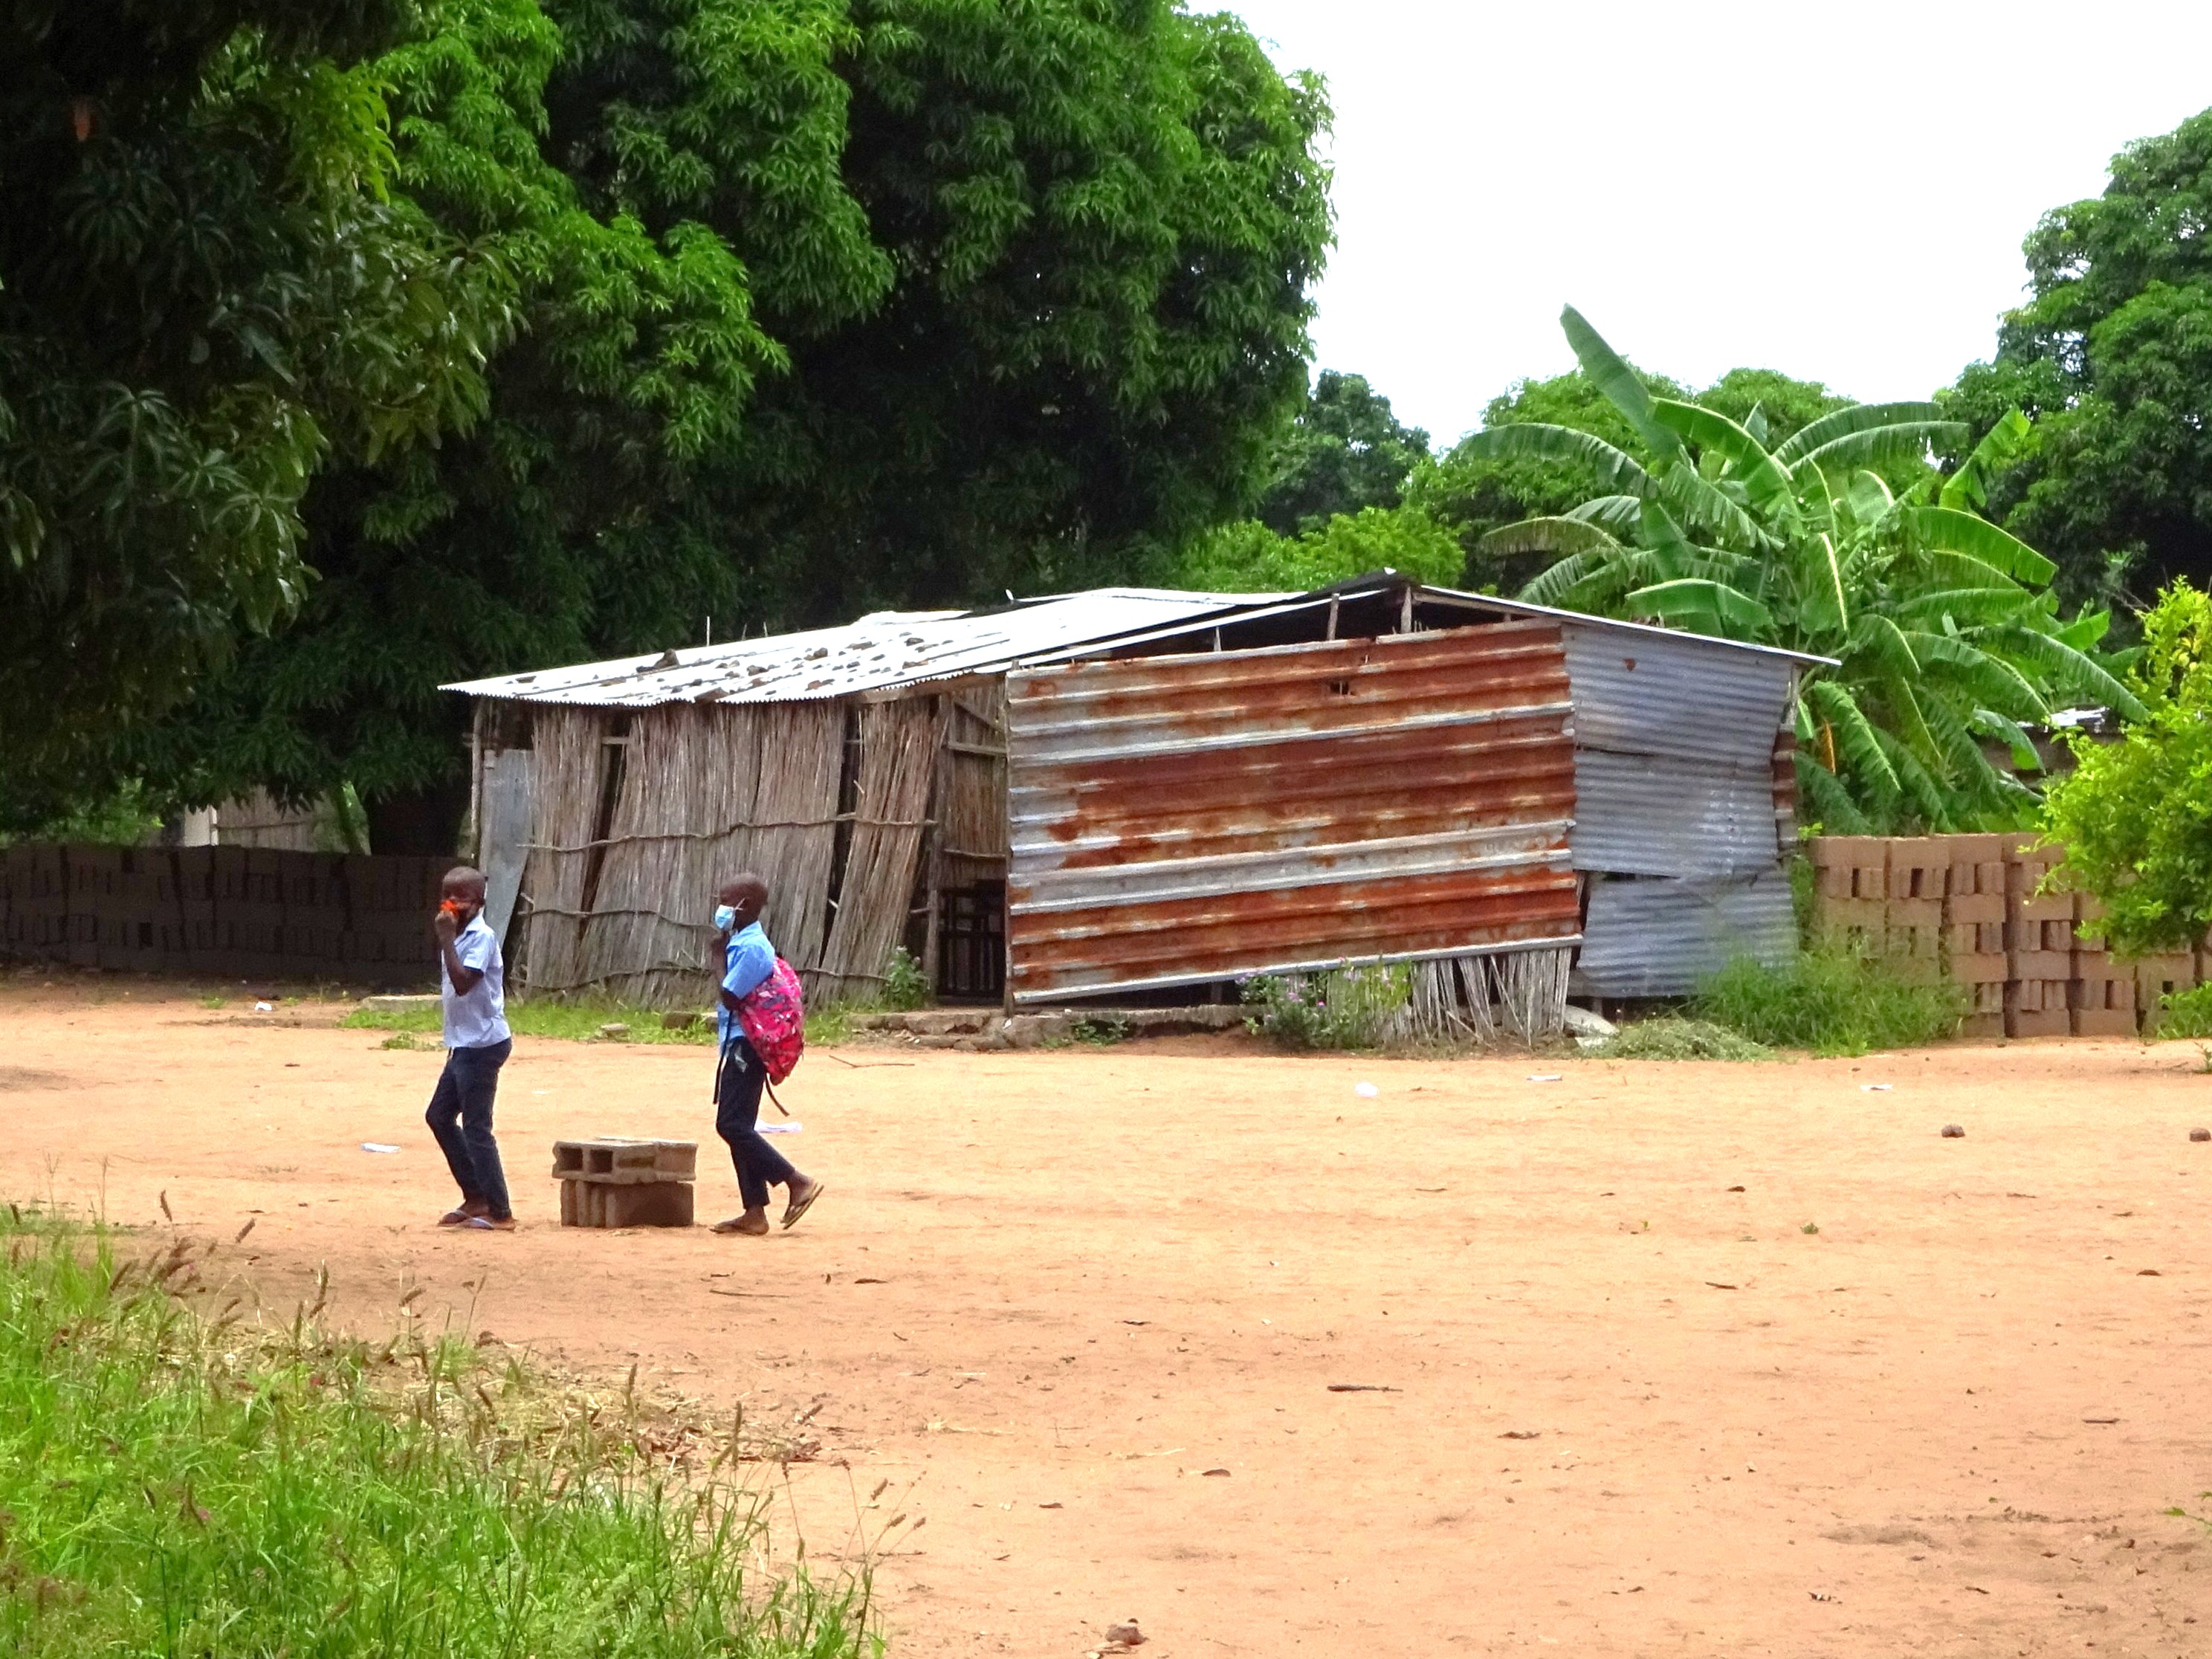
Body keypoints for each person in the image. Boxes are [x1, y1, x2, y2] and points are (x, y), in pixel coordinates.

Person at [709, 872, 823, 1235]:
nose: (721, 906)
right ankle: (754, 1212)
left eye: (727, 900)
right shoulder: (742, 940)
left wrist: (715, 957)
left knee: (731, 1125)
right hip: (742, 1042)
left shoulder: (751, 948)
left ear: (744, 905)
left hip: (747, 1045)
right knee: (738, 1124)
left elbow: (731, 994)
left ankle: (796, 1181)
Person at [425, 866, 515, 1230]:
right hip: (462, 1044)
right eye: (448, 896)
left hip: (484, 1044)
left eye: (461, 898)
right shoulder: (459, 934)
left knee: (477, 1127)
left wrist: (446, 939)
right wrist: (449, 938)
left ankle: (500, 1211)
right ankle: (475, 1196)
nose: (452, 904)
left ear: (478, 903)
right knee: (439, 1116)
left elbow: (464, 984)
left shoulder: (482, 937)